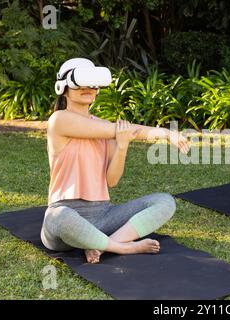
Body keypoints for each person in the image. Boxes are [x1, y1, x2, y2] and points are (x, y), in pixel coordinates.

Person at [41, 58, 190, 263]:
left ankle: (101, 245)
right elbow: (123, 131)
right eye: (81, 82)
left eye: (93, 83)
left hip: (102, 216)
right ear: (63, 88)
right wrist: (164, 133)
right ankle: (122, 248)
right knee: (60, 216)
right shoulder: (59, 120)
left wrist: (122, 145)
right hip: (65, 218)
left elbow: (112, 181)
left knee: (165, 202)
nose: (88, 88)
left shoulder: (108, 130)